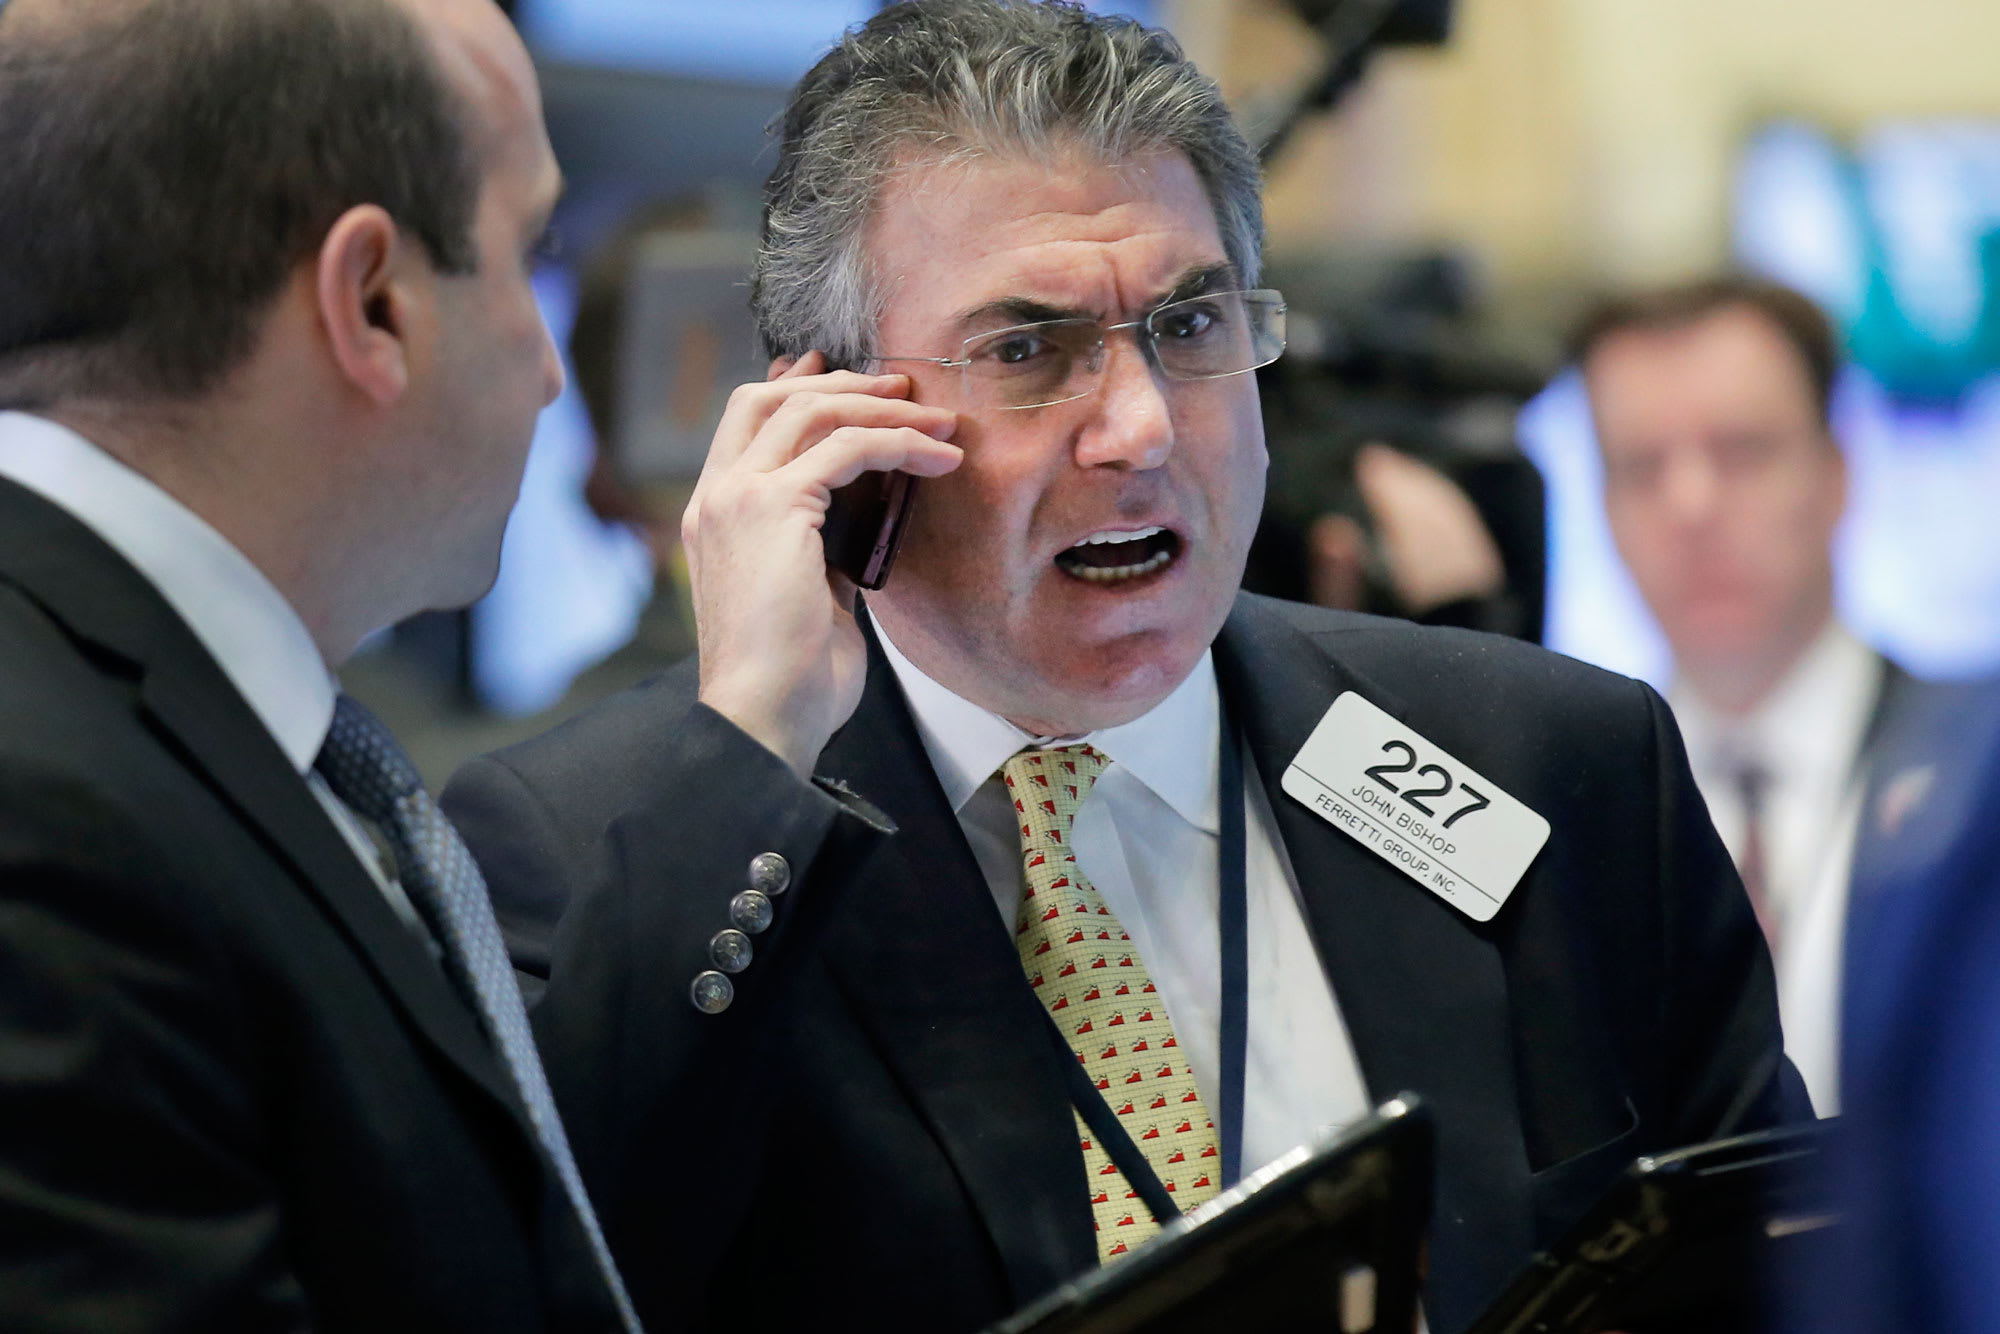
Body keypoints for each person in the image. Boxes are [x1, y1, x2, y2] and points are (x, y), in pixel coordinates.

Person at [443, 5, 1806, 1331]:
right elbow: (555, 1275)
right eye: (1026, 349)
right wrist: (753, 741)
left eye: (1191, 325)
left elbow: (1780, 1273)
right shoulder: (594, 851)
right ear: (831, 424)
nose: (1142, 427)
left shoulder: (1549, 763)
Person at [0, 0, 917, 1327]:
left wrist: (759, 727)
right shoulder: (44, 815)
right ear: (371, 299)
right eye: (524, 252)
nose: (551, 374)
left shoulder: (174, 734)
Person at [1574, 277, 1928, 1112]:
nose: (1690, 507)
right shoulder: (1570, 808)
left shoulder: (1972, 776)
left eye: (1741, 452)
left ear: (1837, 472)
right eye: (1640, 468)